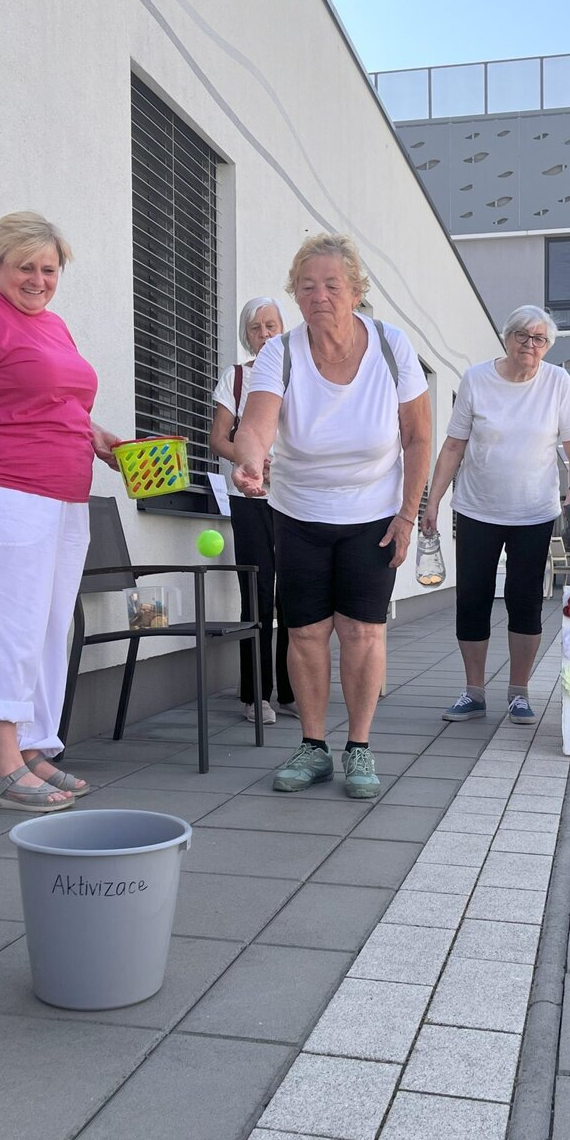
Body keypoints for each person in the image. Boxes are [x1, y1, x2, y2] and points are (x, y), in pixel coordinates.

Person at [0, 211, 123, 812]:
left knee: (46, 628)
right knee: (5, 625)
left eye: (49, 269)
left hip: (64, 496)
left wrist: (97, 437)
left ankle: (34, 748)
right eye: (25, 268)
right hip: (3, 492)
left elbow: (56, 402)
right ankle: (2, 768)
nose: (38, 280)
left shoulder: (54, 327)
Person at [232, 233, 431, 799]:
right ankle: (313, 746)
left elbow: (418, 438)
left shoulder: (392, 346)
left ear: (355, 289)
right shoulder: (281, 353)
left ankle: (359, 747)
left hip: (374, 513)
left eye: (331, 285)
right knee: (306, 632)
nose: (318, 295)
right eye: (306, 286)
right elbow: (257, 425)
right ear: (295, 293)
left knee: (363, 631)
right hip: (298, 512)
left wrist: (408, 515)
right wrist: (250, 461)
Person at [422, 305, 570, 725]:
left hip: (534, 512)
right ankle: (473, 692)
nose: (530, 345)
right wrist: (433, 500)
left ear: (547, 346)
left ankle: (519, 692)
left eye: (539, 339)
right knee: (472, 599)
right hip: (477, 508)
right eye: (522, 335)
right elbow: (454, 446)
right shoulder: (476, 378)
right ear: (506, 337)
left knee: (525, 600)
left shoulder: (557, 382)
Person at [209, 296, 295, 725]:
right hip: (250, 500)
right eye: (256, 328)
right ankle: (255, 695)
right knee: (257, 596)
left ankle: (291, 692)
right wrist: (250, 460)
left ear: (283, 330)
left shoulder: (299, 374)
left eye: (271, 326)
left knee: (293, 596)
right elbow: (218, 439)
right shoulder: (238, 377)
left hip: (294, 500)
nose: (264, 334)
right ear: (247, 335)